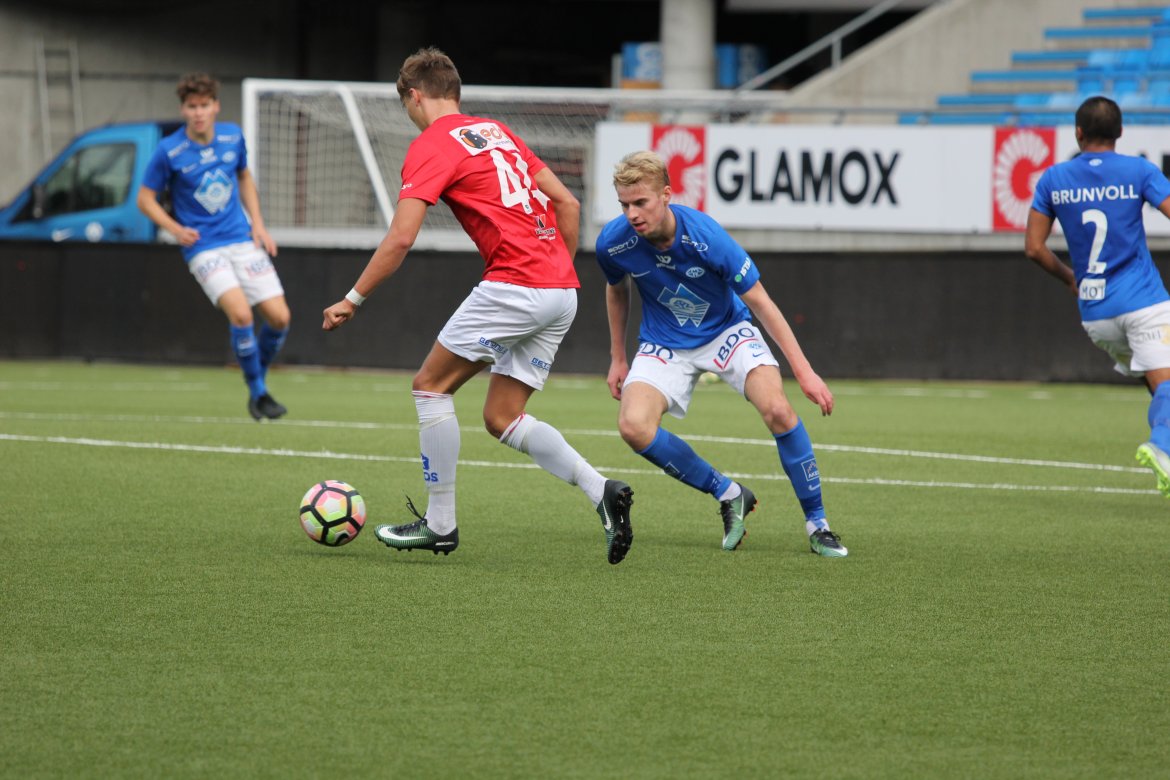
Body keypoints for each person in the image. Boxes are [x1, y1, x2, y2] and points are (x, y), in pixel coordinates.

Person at [322, 47, 634, 563]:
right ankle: (601, 490)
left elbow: (401, 238)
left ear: (414, 96)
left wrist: (352, 298)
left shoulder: (430, 144)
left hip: (515, 286)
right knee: (502, 416)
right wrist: (556, 270)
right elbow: (568, 202)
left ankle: (440, 524)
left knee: (430, 388)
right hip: (560, 290)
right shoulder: (496, 131)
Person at [596, 151, 847, 557]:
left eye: (640, 202)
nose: (632, 214)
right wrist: (617, 358)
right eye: (624, 205)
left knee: (778, 411)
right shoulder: (613, 242)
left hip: (727, 331)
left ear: (666, 195)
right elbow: (615, 289)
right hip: (664, 343)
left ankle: (818, 524)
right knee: (633, 426)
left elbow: (762, 303)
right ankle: (729, 493)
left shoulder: (707, 237)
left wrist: (805, 372)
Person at [1026, 95, 1170, 495]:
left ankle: (1166, 441)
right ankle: (1162, 446)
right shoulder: (1139, 170)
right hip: (1143, 303)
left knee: (1159, 385)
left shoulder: (1054, 179)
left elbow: (1034, 248)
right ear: (1120, 132)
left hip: (1096, 315)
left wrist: (1070, 278)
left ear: (1078, 133)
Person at [137, 72, 290, 421]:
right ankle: (258, 393)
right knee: (242, 314)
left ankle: (257, 380)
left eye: (204, 105)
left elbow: (244, 176)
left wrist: (259, 224)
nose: (199, 113)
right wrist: (175, 229)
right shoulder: (169, 151)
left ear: (216, 106)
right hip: (204, 247)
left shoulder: (232, 136)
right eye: (192, 107)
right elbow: (145, 199)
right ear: (183, 109)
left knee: (280, 318)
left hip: (241, 239)